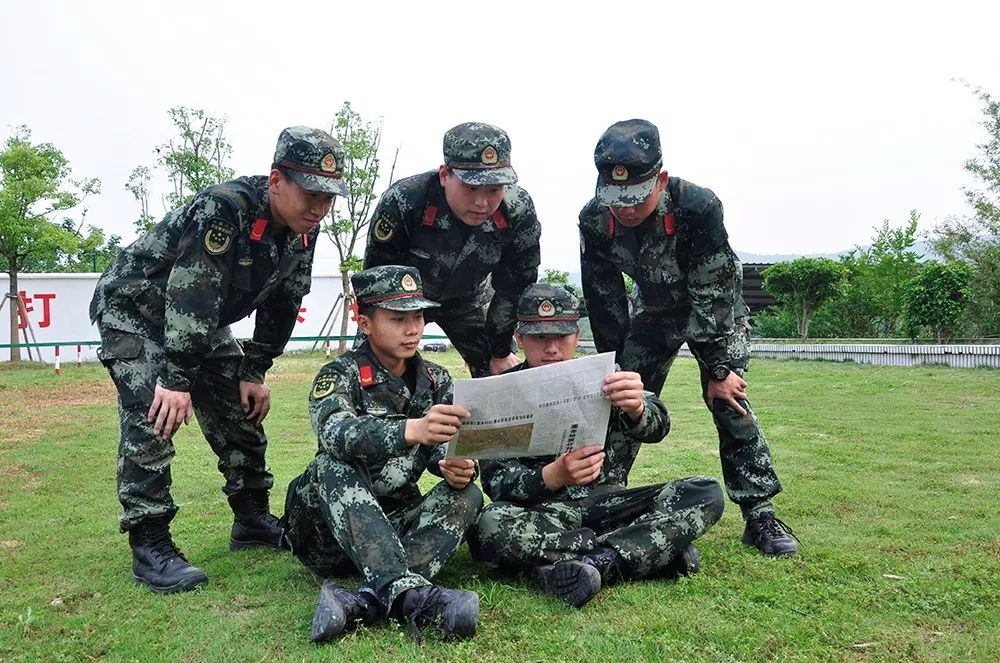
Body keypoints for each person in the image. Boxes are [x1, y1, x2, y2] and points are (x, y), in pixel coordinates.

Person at [90, 126, 347, 593]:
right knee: (154, 413)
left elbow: (284, 304)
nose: (319, 208)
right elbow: (194, 293)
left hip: (199, 321)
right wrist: (175, 380)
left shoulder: (302, 233)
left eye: (329, 198)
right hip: (137, 310)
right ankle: (150, 542)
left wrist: (254, 370)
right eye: (310, 194)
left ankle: (251, 520)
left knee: (241, 410)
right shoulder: (225, 208)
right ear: (276, 180)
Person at [578, 119, 799, 556]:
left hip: (714, 310)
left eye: (636, 197)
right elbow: (604, 299)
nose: (625, 209)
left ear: (660, 179)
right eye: (616, 198)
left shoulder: (697, 206)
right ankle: (606, 501)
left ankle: (760, 515)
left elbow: (712, 290)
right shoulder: (594, 219)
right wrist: (613, 363)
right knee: (621, 396)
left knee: (729, 398)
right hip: (653, 312)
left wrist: (719, 367)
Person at [470, 283, 724, 607]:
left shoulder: (604, 377)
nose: (552, 348)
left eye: (562, 336)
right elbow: (497, 483)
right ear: (519, 339)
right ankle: (643, 549)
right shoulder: (501, 393)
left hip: (610, 505)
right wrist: (552, 476)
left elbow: (659, 426)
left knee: (705, 492)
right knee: (490, 525)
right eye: (539, 337)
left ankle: (597, 563)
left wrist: (638, 408)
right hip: (543, 513)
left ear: (577, 335)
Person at [280, 265, 482, 643]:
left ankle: (369, 600)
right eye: (398, 319)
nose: (412, 329)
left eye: (418, 317)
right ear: (365, 323)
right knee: (331, 464)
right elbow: (335, 433)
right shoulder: (339, 374)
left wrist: (453, 464)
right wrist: (411, 430)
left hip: (394, 522)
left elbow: (445, 445)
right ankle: (408, 594)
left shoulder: (437, 379)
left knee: (468, 493)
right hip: (330, 532)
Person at [363, 121, 541, 377]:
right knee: (375, 373)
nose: (482, 202)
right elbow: (377, 284)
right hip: (402, 302)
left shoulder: (517, 209)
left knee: (502, 375)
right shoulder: (406, 200)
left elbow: (514, 287)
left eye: (494, 190)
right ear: (445, 175)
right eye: (471, 188)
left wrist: (500, 348)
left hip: (467, 302)